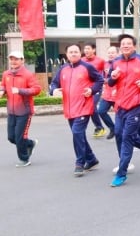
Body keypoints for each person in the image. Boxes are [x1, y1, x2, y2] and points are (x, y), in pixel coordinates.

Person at [107, 34, 140, 187]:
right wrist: (112, 77)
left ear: (134, 46)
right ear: (120, 46)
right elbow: (110, 83)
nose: (125, 45)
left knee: (127, 138)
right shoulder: (116, 62)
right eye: (123, 43)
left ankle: (121, 174)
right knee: (119, 134)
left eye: (128, 43)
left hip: (136, 105)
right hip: (120, 106)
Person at [50, 44, 104, 176]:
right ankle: (91, 159)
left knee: (77, 132)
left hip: (84, 106)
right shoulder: (63, 68)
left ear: (80, 54)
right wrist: (53, 90)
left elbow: (99, 80)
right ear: (67, 54)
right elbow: (54, 83)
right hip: (69, 108)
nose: (73, 54)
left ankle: (80, 162)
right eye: (70, 52)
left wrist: (91, 90)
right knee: (78, 135)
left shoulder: (87, 67)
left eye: (76, 52)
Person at [0, 50, 42, 167]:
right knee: (11, 137)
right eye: (11, 59)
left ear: (22, 61)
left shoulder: (28, 75)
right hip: (11, 111)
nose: (13, 61)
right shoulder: (6, 74)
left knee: (19, 137)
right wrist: (1, 91)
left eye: (16, 59)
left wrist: (20, 91)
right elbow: (3, 84)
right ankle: (30, 143)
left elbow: (37, 89)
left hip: (24, 111)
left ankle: (24, 159)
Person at [83, 43, 107, 138]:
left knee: (92, 106)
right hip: (85, 88)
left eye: (88, 48)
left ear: (93, 50)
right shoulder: (82, 61)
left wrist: (107, 82)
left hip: (96, 87)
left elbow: (106, 73)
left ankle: (99, 127)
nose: (86, 50)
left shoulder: (100, 61)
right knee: (88, 108)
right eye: (85, 49)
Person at [97, 46, 118, 141]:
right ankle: (112, 128)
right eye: (109, 52)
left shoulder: (120, 64)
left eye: (113, 52)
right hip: (107, 93)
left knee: (120, 116)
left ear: (117, 53)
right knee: (101, 111)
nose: (111, 54)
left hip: (118, 94)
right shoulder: (104, 64)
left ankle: (121, 132)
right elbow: (101, 76)